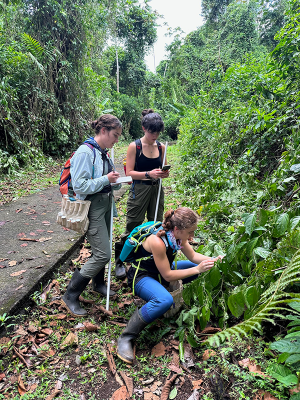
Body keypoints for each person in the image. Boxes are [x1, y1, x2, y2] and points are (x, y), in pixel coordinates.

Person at [116, 207, 224, 364]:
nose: (192, 236)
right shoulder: (157, 241)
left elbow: (193, 256)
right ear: (177, 229)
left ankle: (159, 291)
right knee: (164, 300)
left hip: (160, 271)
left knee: (199, 269)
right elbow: (167, 274)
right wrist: (197, 268)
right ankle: (127, 336)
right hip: (142, 276)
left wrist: (214, 260)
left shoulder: (178, 236)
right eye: (190, 232)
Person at [62, 114, 122, 317]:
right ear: (103, 131)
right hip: (91, 207)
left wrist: (116, 180)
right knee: (103, 253)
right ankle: (71, 294)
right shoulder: (85, 153)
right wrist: (106, 179)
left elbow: (110, 181)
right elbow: (80, 186)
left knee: (104, 246)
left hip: (105, 204)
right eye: (115, 135)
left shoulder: (103, 152)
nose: (116, 140)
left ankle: (98, 284)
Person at [114, 109, 169, 280]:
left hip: (157, 189)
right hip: (139, 189)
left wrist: (163, 174)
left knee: (156, 224)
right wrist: (148, 174)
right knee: (133, 224)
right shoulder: (135, 146)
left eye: (158, 132)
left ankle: (151, 258)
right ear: (144, 128)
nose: (155, 135)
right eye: (152, 131)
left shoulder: (162, 147)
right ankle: (120, 260)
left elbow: (164, 170)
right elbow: (129, 173)